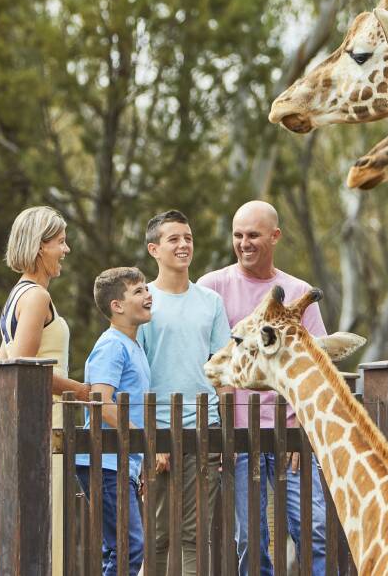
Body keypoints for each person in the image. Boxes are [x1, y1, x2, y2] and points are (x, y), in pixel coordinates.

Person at [197, 200, 329, 576]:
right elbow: (206, 363)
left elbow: (315, 367)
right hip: (239, 437)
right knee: (250, 540)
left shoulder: (297, 291)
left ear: (275, 236)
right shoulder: (213, 289)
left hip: (290, 434)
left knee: (313, 527)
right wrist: (220, 430)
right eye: (237, 235)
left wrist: (305, 431)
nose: (244, 243)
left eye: (253, 235)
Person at [0, 206, 90, 576]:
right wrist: (80, 390)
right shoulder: (35, 297)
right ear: (39, 247)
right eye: (60, 242)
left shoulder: (15, 296)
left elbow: (3, 359)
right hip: (47, 421)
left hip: (39, 423)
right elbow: (23, 369)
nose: (66, 250)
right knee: (51, 527)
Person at [138, 210, 230, 576]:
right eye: (174, 239)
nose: (183, 245)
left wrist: (222, 432)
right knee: (158, 535)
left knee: (194, 536)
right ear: (154, 249)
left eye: (188, 238)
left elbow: (221, 371)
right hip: (157, 432)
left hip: (203, 430)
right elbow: (138, 374)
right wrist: (149, 437)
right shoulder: (143, 302)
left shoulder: (211, 303)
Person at [75, 267, 152, 576]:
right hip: (105, 463)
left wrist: (140, 457)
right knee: (129, 547)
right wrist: (141, 439)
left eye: (147, 289)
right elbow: (101, 401)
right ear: (116, 306)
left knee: (121, 547)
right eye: (138, 291)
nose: (148, 295)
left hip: (122, 463)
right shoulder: (111, 346)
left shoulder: (134, 346)